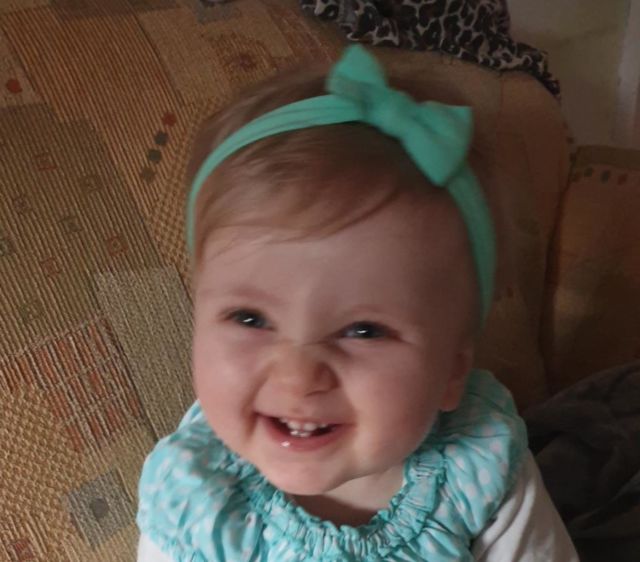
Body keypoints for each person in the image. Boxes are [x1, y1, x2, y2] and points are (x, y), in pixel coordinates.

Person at [136, 46, 578, 561]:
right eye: (250, 318)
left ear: (453, 368)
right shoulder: (194, 497)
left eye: (364, 330)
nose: (299, 377)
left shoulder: (478, 468)